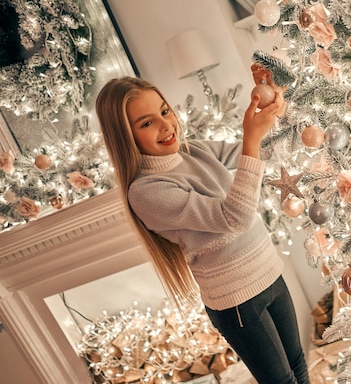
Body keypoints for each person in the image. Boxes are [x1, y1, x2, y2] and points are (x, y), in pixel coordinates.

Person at [95, 75, 310, 384]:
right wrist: (250, 138)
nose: (165, 125)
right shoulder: (145, 192)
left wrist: (276, 110)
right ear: (125, 136)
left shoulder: (194, 151)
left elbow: (268, 155)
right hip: (238, 301)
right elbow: (234, 218)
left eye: (165, 111)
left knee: (299, 365)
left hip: (270, 273)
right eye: (146, 123)